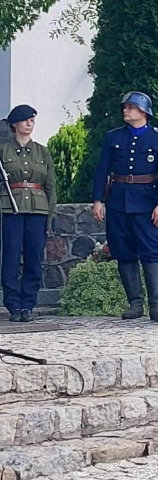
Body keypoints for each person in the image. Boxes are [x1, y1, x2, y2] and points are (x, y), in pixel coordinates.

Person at [91, 91, 158, 322]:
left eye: (130, 107)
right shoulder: (113, 137)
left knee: (151, 251)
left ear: (143, 111)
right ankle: (135, 303)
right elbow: (102, 169)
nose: (125, 111)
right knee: (123, 250)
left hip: (147, 201)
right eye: (125, 107)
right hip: (118, 200)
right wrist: (98, 199)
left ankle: (157, 304)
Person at [0, 105, 55, 322]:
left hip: (37, 209)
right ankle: (13, 305)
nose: (29, 123)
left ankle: (28, 305)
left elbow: (50, 187)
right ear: (14, 124)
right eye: (24, 120)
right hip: (10, 208)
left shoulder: (43, 151)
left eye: (32, 120)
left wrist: (51, 217)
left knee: (34, 258)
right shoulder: (3, 151)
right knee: (11, 256)